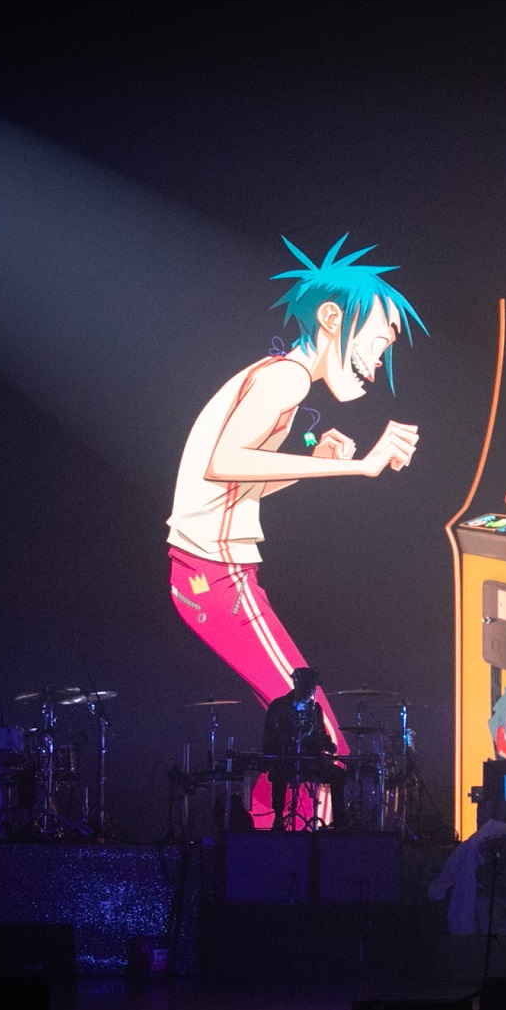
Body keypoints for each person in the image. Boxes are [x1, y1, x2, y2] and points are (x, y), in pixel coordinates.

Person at [167, 237, 422, 815]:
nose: (378, 362)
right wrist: (359, 466)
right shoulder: (286, 379)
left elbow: (239, 483)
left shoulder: (280, 378)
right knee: (317, 737)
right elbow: (221, 462)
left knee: (299, 732)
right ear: (332, 317)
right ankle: (289, 845)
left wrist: (314, 464)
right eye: (378, 342)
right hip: (215, 575)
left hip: (212, 573)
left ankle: (272, 836)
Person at [260, 668, 345, 830]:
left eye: (313, 686)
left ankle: (340, 823)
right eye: (308, 686)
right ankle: (278, 818)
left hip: (310, 761)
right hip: (286, 759)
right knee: (279, 774)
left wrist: (328, 745)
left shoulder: (315, 708)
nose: (311, 690)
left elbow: (321, 734)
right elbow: (271, 738)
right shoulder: (279, 706)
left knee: (338, 775)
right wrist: (295, 737)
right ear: (297, 684)